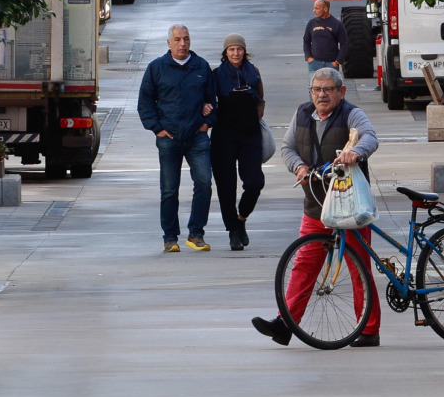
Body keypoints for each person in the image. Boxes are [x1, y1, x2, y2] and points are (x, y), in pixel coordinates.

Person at [251, 67, 382, 347]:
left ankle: (369, 329)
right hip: (316, 205)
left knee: (358, 268)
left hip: (349, 206)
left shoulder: (351, 114)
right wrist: (298, 167)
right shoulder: (302, 114)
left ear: (341, 92)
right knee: (304, 265)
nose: (321, 95)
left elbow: (370, 137)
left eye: (328, 89)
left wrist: (355, 152)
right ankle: (285, 324)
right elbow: (287, 148)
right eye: (316, 89)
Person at [138, 24, 218, 253]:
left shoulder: (201, 66)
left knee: (204, 183)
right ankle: (170, 237)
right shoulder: (156, 68)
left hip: (197, 138)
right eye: (177, 39)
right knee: (169, 190)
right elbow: (145, 102)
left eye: (186, 39)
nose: (182, 44)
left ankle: (196, 234)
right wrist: (157, 129)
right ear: (169, 43)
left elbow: (212, 100)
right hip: (169, 139)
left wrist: (206, 123)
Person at [210, 34, 266, 251]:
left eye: (239, 49)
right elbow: (207, 98)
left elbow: (260, 96)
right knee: (226, 186)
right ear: (225, 52)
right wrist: (206, 109)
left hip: (249, 134)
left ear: (244, 51)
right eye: (231, 49)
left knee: (254, 182)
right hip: (224, 135)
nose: (236, 53)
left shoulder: (254, 72)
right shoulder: (216, 75)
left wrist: (260, 108)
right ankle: (233, 230)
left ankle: (241, 218)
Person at [303, 0, 347, 73]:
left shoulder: (337, 24)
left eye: (317, 8)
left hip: (331, 64)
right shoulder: (311, 23)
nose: (314, 10)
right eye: (314, 8)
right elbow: (306, 41)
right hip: (314, 64)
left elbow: (344, 44)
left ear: (325, 9)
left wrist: (337, 62)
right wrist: (308, 57)